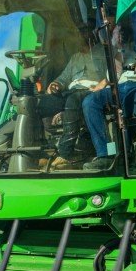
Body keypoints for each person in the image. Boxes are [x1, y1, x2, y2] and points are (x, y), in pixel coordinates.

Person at [81, 6, 136, 170]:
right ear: (133, 25)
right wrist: (118, 50)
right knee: (90, 102)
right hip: (122, 88)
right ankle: (106, 154)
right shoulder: (126, 47)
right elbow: (112, 76)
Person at [42, 27, 109, 169]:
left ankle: (66, 153)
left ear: (92, 35)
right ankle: (45, 151)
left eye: (84, 34)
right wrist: (55, 84)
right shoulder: (75, 58)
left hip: (92, 91)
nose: (79, 38)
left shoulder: (103, 53)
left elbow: (111, 75)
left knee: (73, 100)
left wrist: (103, 84)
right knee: (42, 104)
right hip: (72, 92)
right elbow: (64, 78)